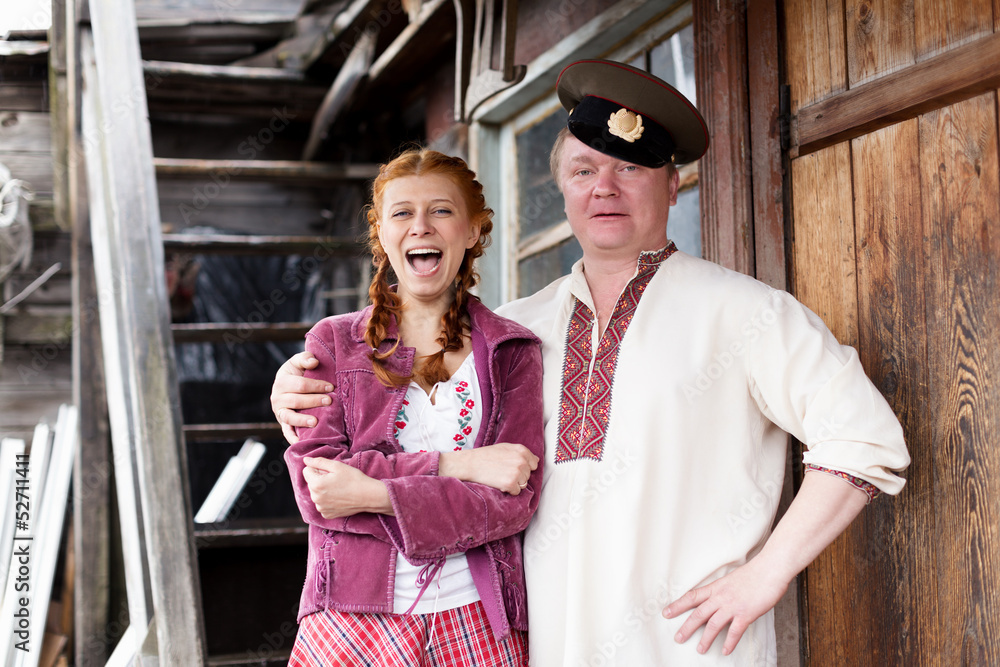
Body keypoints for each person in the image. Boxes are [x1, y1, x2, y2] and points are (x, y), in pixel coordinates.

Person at [273, 60, 911, 665]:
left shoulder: (746, 312)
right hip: (539, 645)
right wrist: (292, 389)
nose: (603, 188)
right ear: (562, 189)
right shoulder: (511, 329)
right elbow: (390, 404)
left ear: (673, 183)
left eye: (629, 169)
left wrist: (763, 579)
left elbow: (864, 441)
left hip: (686, 647)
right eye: (583, 171)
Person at [283, 148, 543, 666]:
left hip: (476, 616)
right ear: (382, 233)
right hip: (350, 614)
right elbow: (320, 493)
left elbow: (514, 501)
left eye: (441, 210)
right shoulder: (334, 342)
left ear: (472, 230)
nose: (421, 227)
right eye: (402, 213)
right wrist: (456, 466)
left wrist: (372, 491)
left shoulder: (513, 350)